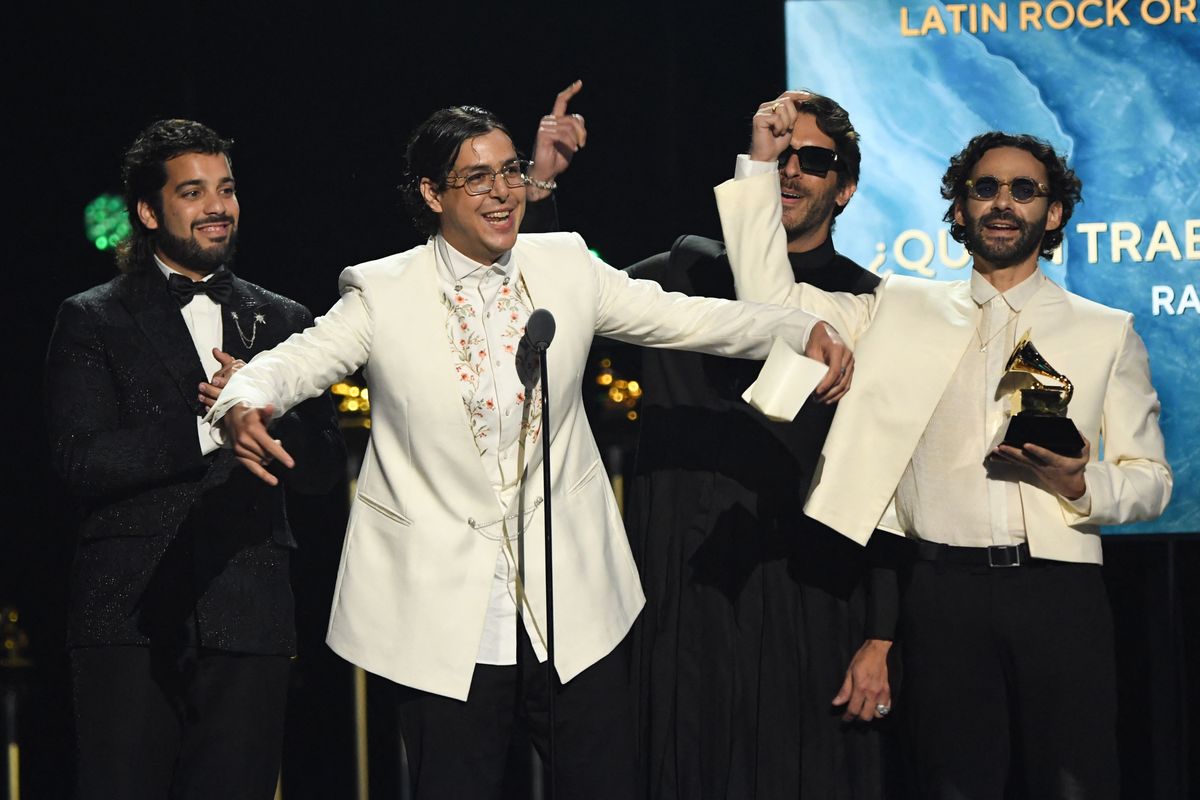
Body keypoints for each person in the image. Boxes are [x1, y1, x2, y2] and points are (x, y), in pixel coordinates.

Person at [207, 103, 853, 799]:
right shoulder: (382, 290)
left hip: (572, 600)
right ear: (432, 194)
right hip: (444, 611)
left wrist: (797, 326)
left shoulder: (566, 264)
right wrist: (242, 397)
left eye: (510, 171)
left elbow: (689, 317)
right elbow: (302, 358)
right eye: (476, 178)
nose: (503, 191)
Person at [716, 115, 1173, 798]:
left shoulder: (1106, 332)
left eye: (1024, 190)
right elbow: (771, 304)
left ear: (1053, 214)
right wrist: (757, 165)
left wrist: (1083, 484)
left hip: (1059, 592)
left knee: (1075, 783)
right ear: (960, 208)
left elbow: (1153, 483)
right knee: (951, 785)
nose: (1003, 202)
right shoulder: (898, 305)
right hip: (942, 594)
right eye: (985, 188)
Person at [44, 119, 344, 799]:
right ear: (149, 212)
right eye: (193, 192)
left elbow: (325, 471)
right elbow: (79, 460)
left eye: (227, 189)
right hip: (130, 615)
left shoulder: (284, 321)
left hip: (250, 614)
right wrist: (214, 426)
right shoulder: (93, 317)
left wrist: (270, 416)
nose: (218, 206)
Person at [623, 90, 896, 798]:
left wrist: (883, 630)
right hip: (681, 582)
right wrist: (547, 192)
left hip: (808, 588)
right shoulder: (676, 277)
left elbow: (887, 475)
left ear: (846, 187)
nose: (791, 170)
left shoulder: (874, 304)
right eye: (778, 155)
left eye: (814, 159)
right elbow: (561, 302)